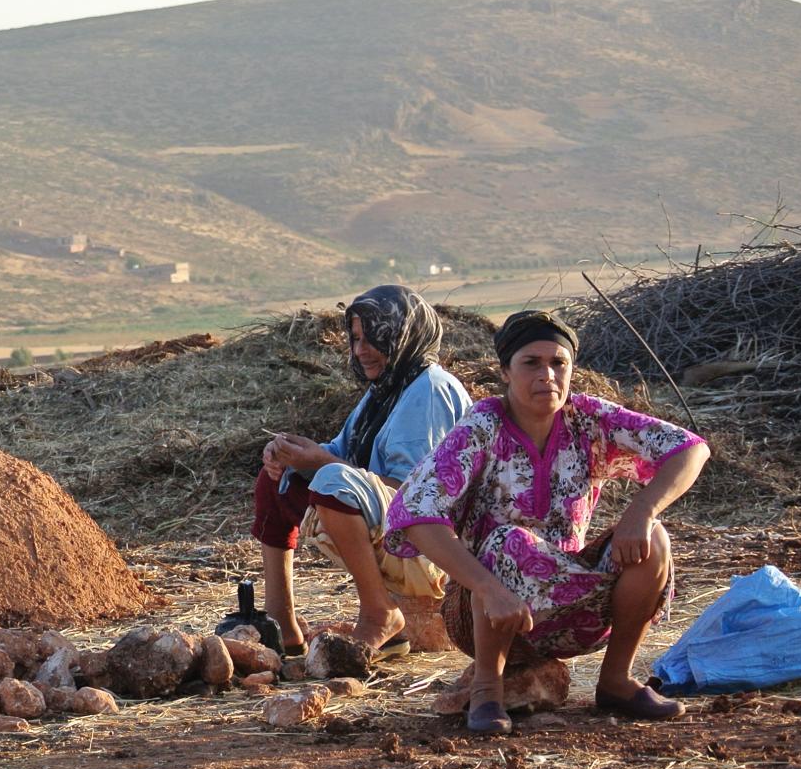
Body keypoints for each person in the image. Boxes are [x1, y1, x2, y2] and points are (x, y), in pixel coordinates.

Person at [384, 309, 709, 735]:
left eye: (559, 364)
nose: (548, 376)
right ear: (505, 371)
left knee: (655, 540)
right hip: (487, 609)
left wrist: (641, 511)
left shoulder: (587, 419)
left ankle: (615, 682)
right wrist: (486, 586)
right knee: (507, 541)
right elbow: (414, 513)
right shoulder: (483, 425)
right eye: (531, 363)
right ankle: (486, 689)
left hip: (574, 605)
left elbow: (690, 449)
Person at [254, 285, 473, 653]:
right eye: (356, 339)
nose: (361, 350)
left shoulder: (430, 389)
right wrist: (290, 453)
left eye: (375, 337)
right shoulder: (384, 390)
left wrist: (324, 464)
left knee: (331, 480)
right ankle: (281, 621)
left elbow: (416, 493)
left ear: (404, 334)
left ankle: (379, 611)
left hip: (435, 545)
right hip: (393, 526)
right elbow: (342, 454)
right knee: (278, 478)